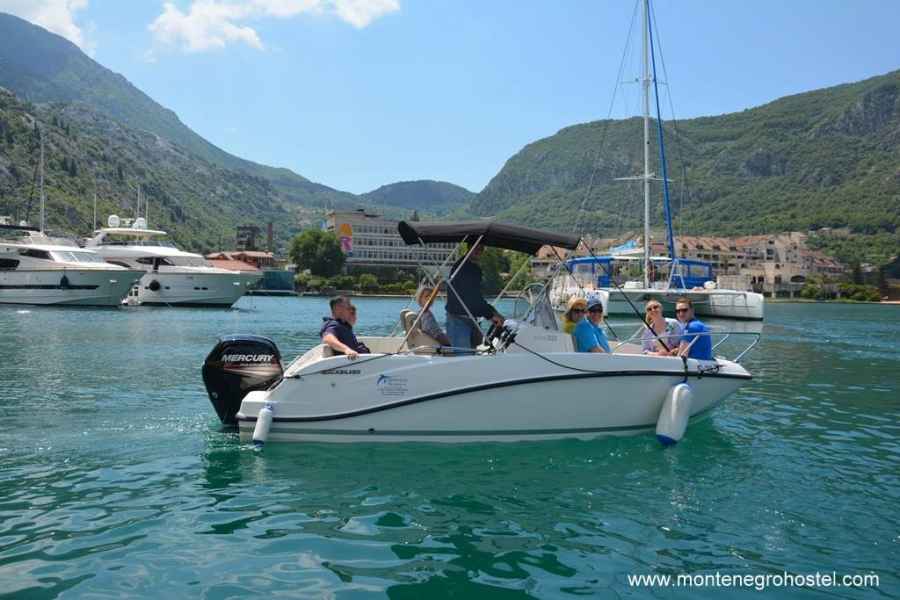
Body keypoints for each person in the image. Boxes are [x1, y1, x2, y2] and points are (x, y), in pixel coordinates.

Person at [445, 243, 504, 349]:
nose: (478, 251)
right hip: (459, 320)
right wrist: (491, 315)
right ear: (469, 248)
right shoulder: (464, 268)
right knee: (464, 357)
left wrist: (493, 312)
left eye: (481, 249)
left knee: (470, 356)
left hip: (469, 319)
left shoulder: (471, 267)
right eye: (475, 247)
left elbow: (476, 296)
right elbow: (472, 297)